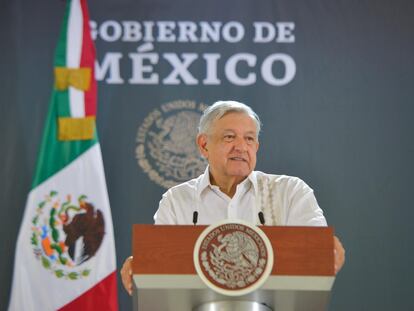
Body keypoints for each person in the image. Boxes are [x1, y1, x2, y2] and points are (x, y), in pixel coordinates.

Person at [121, 100, 345, 295]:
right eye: (229, 137)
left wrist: (326, 251)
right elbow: (161, 271)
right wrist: (144, 268)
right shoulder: (177, 200)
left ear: (256, 146)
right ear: (203, 145)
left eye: (249, 139)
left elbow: (317, 252)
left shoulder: (290, 192)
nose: (241, 147)